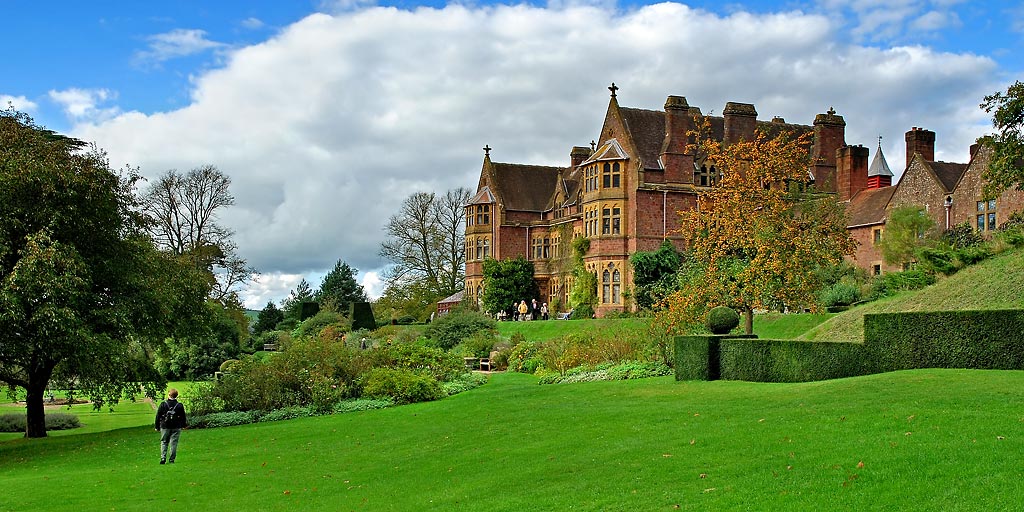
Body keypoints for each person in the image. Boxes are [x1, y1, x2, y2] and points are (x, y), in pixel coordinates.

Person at [155, 388, 188, 464]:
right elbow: (183, 416)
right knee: (174, 443)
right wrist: (184, 425)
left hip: (165, 426)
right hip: (176, 426)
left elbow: (158, 416)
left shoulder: (163, 404)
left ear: (169, 394)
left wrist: (157, 426)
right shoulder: (179, 405)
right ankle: (171, 459)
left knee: (164, 442)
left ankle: (163, 458)